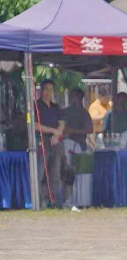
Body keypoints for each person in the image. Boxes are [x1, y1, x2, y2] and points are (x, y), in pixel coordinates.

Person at [33, 80, 65, 208]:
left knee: (55, 173)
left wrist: (57, 134)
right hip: (42, 142)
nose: (48, 93)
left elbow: (62, 123)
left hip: (55, 143)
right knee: (40, 173)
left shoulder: (56, 107)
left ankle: (55, 202)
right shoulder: (36, 105)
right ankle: (39, 202)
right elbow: (34, 125)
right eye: (46, 89)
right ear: (41, 90)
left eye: (51, 90)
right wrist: (53, 131)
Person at [62, 88, 93, 209]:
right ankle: (66, 199)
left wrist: (74, 131)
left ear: (79, 99)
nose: (71, 99)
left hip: (79, 146)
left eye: (73, 97)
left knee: (78, 175)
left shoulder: (83, 112)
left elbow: (90, 130)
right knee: (66, 172)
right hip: (65, 145)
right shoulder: (65, 111)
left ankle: (78, 200)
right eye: (71, 97)